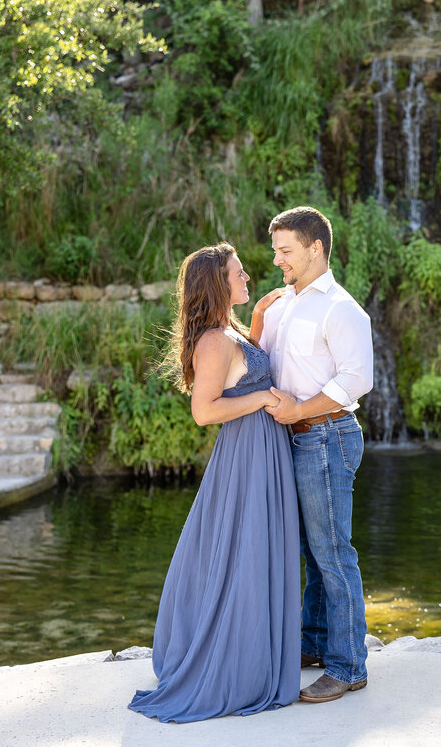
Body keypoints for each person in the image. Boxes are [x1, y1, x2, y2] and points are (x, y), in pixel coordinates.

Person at [128, 242, 299, 722]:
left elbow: (245, 370)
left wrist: (260, 313)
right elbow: (205, 411)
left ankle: (255, 653)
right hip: (246, 455)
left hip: (261, 451)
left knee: (252, 550)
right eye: (239, 273)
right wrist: (265, 397)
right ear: (218, 282)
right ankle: (232, 663)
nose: (248, 278)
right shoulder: (214, 340)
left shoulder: (231, 330)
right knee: (241, 552)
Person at [256, 206, 374, 704]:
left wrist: (302, 407)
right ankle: (315, 643)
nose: (277, 259)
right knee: (308, 551)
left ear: (315, 249)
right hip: (294, 437)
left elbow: (356, 379)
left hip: (327, 434)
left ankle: (349, 667)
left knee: (332, 552)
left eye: (285, 250)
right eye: (276, 250)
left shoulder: (341, 308)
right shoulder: (282, 303)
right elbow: (261, 360)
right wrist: (258, 316)